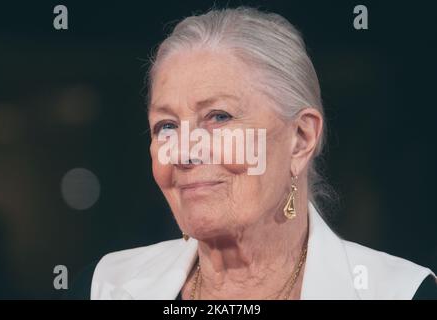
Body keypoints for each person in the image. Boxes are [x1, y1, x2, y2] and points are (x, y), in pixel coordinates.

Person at [67, 7, 436, 300]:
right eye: (166, 126)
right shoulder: (103, 287)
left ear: (301, 138)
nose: (183, 152)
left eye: (218, 117)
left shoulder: (401, 293)